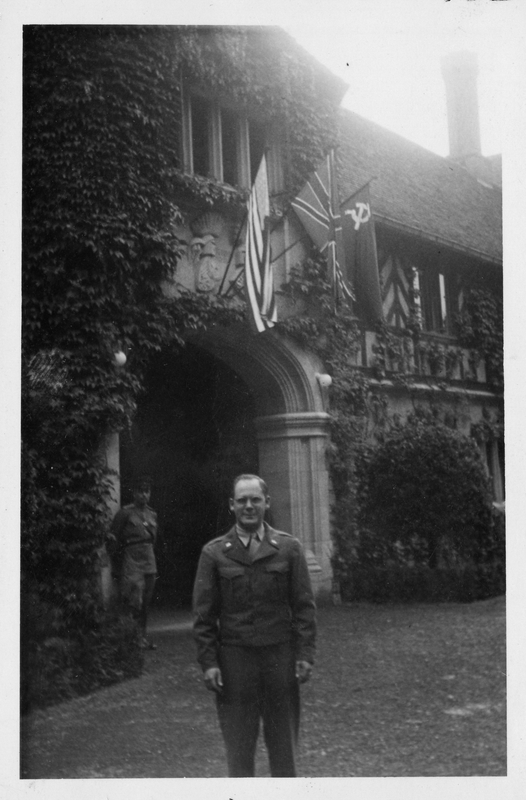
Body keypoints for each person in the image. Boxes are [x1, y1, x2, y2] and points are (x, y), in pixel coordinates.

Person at [192, 474, 316, 777]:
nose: (249, 506)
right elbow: (204, 616)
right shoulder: (215, 553)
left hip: (279, 661)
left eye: (255, 500)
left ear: (267, 503)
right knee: (239, 753)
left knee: (284, 752)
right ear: (232, 505)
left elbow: (303, 608)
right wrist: (209, 663)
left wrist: (304, 655)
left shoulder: (289, 549)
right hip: (236, 664)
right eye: (242, 500)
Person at [110, 475, 158, 650]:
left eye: (147, 492)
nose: (144, 495)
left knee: (146, 601)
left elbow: (154, 539)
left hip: (149, 558)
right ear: (134, 493)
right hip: (132, 558)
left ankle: (142, 638)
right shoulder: (125, 513)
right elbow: (114, 538)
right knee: (132, 600)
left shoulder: (152, 514)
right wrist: (116, 565)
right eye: (141, 492)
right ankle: (129, 639)